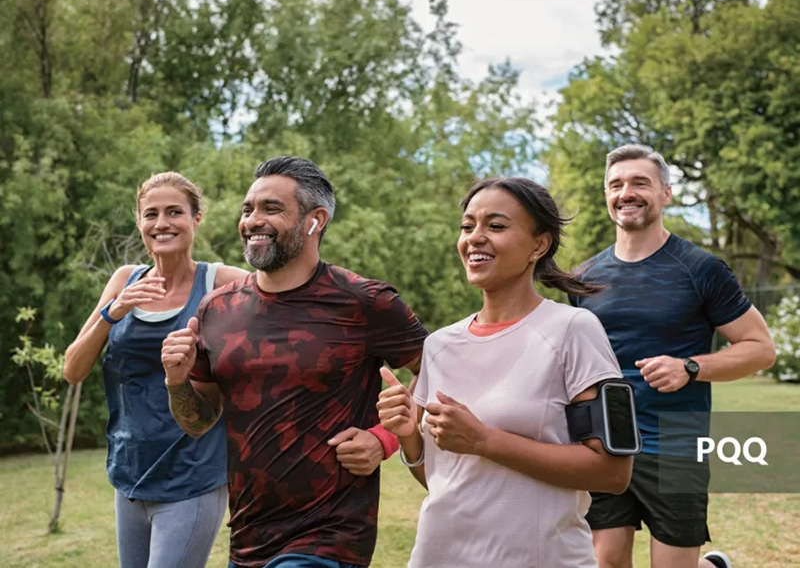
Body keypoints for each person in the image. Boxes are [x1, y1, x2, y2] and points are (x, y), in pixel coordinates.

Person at [160, 156, 428, 568]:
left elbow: (440, 369)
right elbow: (198, 421)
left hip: (331, 535)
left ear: (314, 220)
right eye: (248, 209)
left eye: (271, 209)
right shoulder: (216, 309)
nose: (252, 220)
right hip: (249, 537)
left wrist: (384, 438)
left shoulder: (365, 302)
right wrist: (177, 381)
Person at [377, 177, 634, 568]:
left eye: (495, 226)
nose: (475, 238)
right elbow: (444, 480)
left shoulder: (574, 330)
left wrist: (484, 440)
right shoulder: (439, 345)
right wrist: (410, 436)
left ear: (539, 245)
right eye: (467, 227)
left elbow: (613, 473)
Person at [569, 144, 776, 568]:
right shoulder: (584, 279)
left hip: (676, 444)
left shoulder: (700, 269)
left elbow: (761, 349)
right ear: (607, 196)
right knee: (605, 561)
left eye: (639, 183)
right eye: (616, 185)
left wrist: (691, 368)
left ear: (665, 193)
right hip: (605, 440)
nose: (626, 193)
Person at [63, 172, 250, 568]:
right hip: (129, 475)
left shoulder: (223, 283)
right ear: (140, 223)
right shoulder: (122, 281)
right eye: (151, 214)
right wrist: (112, 313)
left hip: (193, 477)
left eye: (174, 212)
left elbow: (288, 308)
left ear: (196, 219)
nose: (161, 223)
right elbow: (72, 369)